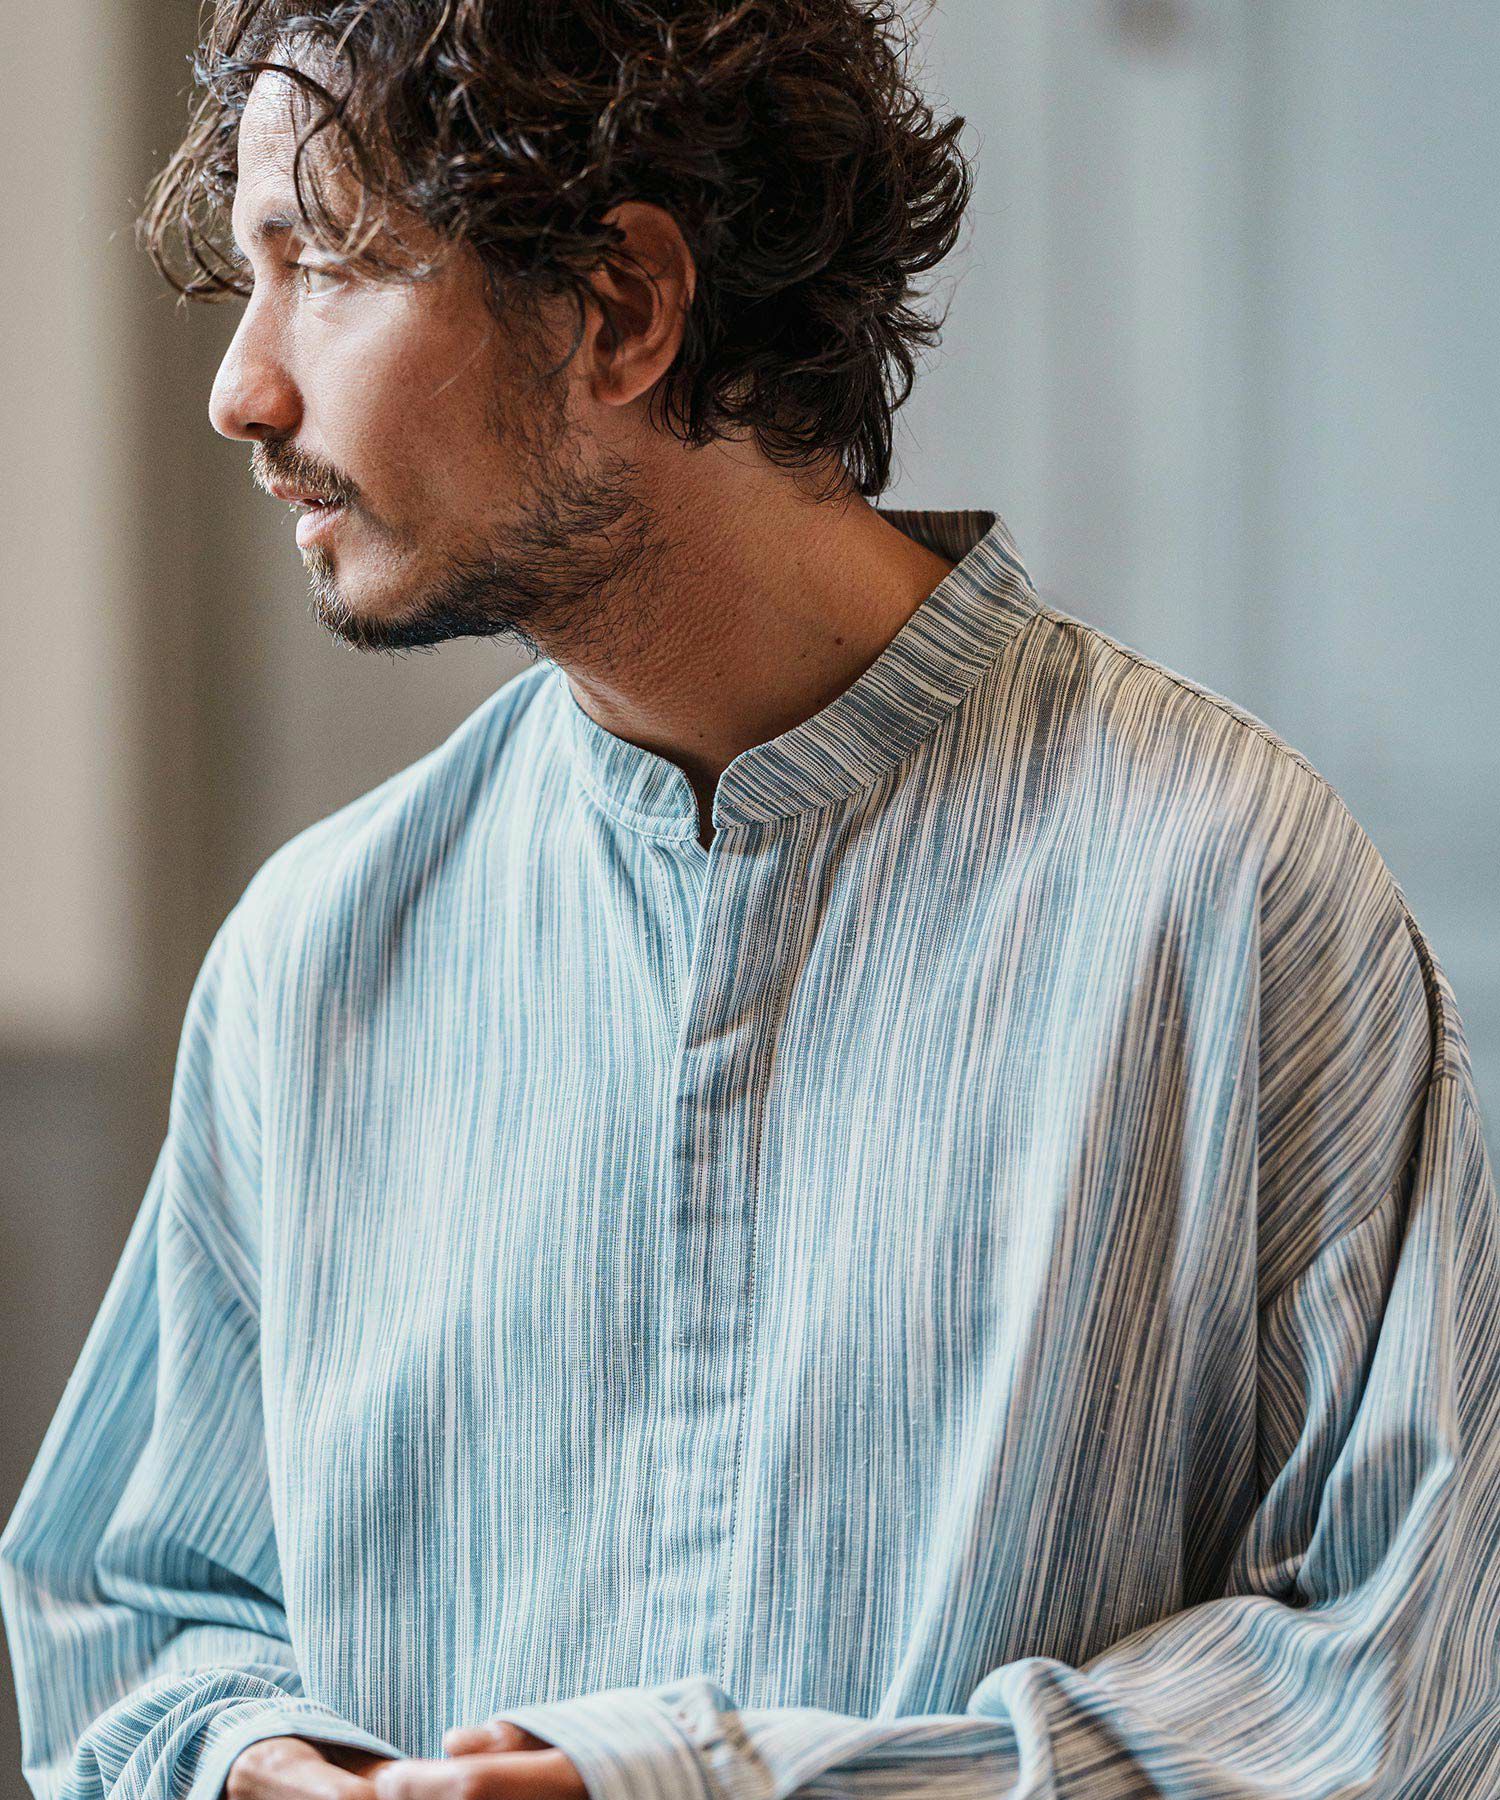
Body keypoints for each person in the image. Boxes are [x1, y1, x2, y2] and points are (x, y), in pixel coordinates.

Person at [3, 4, 1498, 1800]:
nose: (243, 390)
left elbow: (1407, 1684)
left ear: (625, 308)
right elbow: (138, 1607)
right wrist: (258, 1758)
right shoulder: (314, 957)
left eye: (328, 264)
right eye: (249, 275)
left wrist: (728, 1785)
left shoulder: (1231, 896)